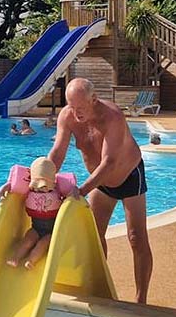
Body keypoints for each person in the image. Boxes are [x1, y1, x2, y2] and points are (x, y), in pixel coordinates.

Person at [48, 78, 152, 304]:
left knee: (136, 237)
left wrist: (81, 190)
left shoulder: (112, 117)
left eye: (80, 108)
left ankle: (140, 299)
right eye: (71, 107)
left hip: (128, 176)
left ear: (93, 100)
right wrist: (42, 177)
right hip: (100, 182)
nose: (75, 114)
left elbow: (110, 162)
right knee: (95, 236)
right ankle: (100, 288)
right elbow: (58, 152)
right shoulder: (68, 116)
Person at [0, 157, 72, 269]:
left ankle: (31, 260)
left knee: (42, 244)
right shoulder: (29, 189)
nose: (38, 190)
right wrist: (6, 186)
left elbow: (71, 191)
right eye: (36, 187)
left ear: (52, 183)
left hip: (51, 232)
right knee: (28, 241)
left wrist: (74, 191)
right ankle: (16, 258)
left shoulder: (58, 190)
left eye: (43, 187)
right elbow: (15, 187)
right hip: (36, 228)